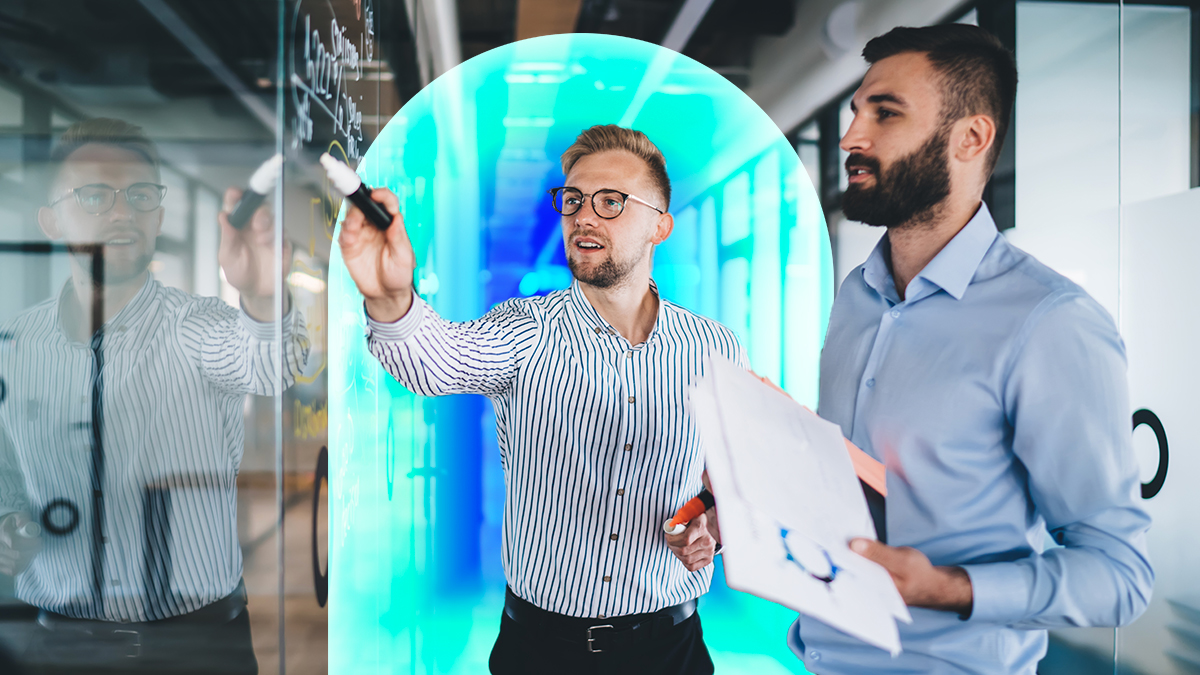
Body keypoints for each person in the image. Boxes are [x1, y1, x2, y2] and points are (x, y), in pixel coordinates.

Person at [787, 23, 1155, 674]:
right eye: (854, 113)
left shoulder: (1049, 322)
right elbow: (853, 490)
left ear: (971, 138)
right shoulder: (856, 294)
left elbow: (1119, 573)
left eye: (885, 113)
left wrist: (947, 587)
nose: (851, 138)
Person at [339, 124, 744, 675]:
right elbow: (435, 362)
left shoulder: (714, 348)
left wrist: (710, 526)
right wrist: (390, 297)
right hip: (542, 651)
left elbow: (731, 481)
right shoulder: (526, 330)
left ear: (660, 226)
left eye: (611, 202)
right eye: (573, 200)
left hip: (669, 648)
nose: (583, 216)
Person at [0, 118, 308, 674]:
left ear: (159, 217)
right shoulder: (14, 344)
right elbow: (6, 473)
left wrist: (262, 294)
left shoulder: (199, 326)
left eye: (141, 195)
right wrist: (7, 522)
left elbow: (272, 365)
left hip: (198, 651)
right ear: (50, 220)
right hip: (53, 652)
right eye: (95, 195)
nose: (122, 211)